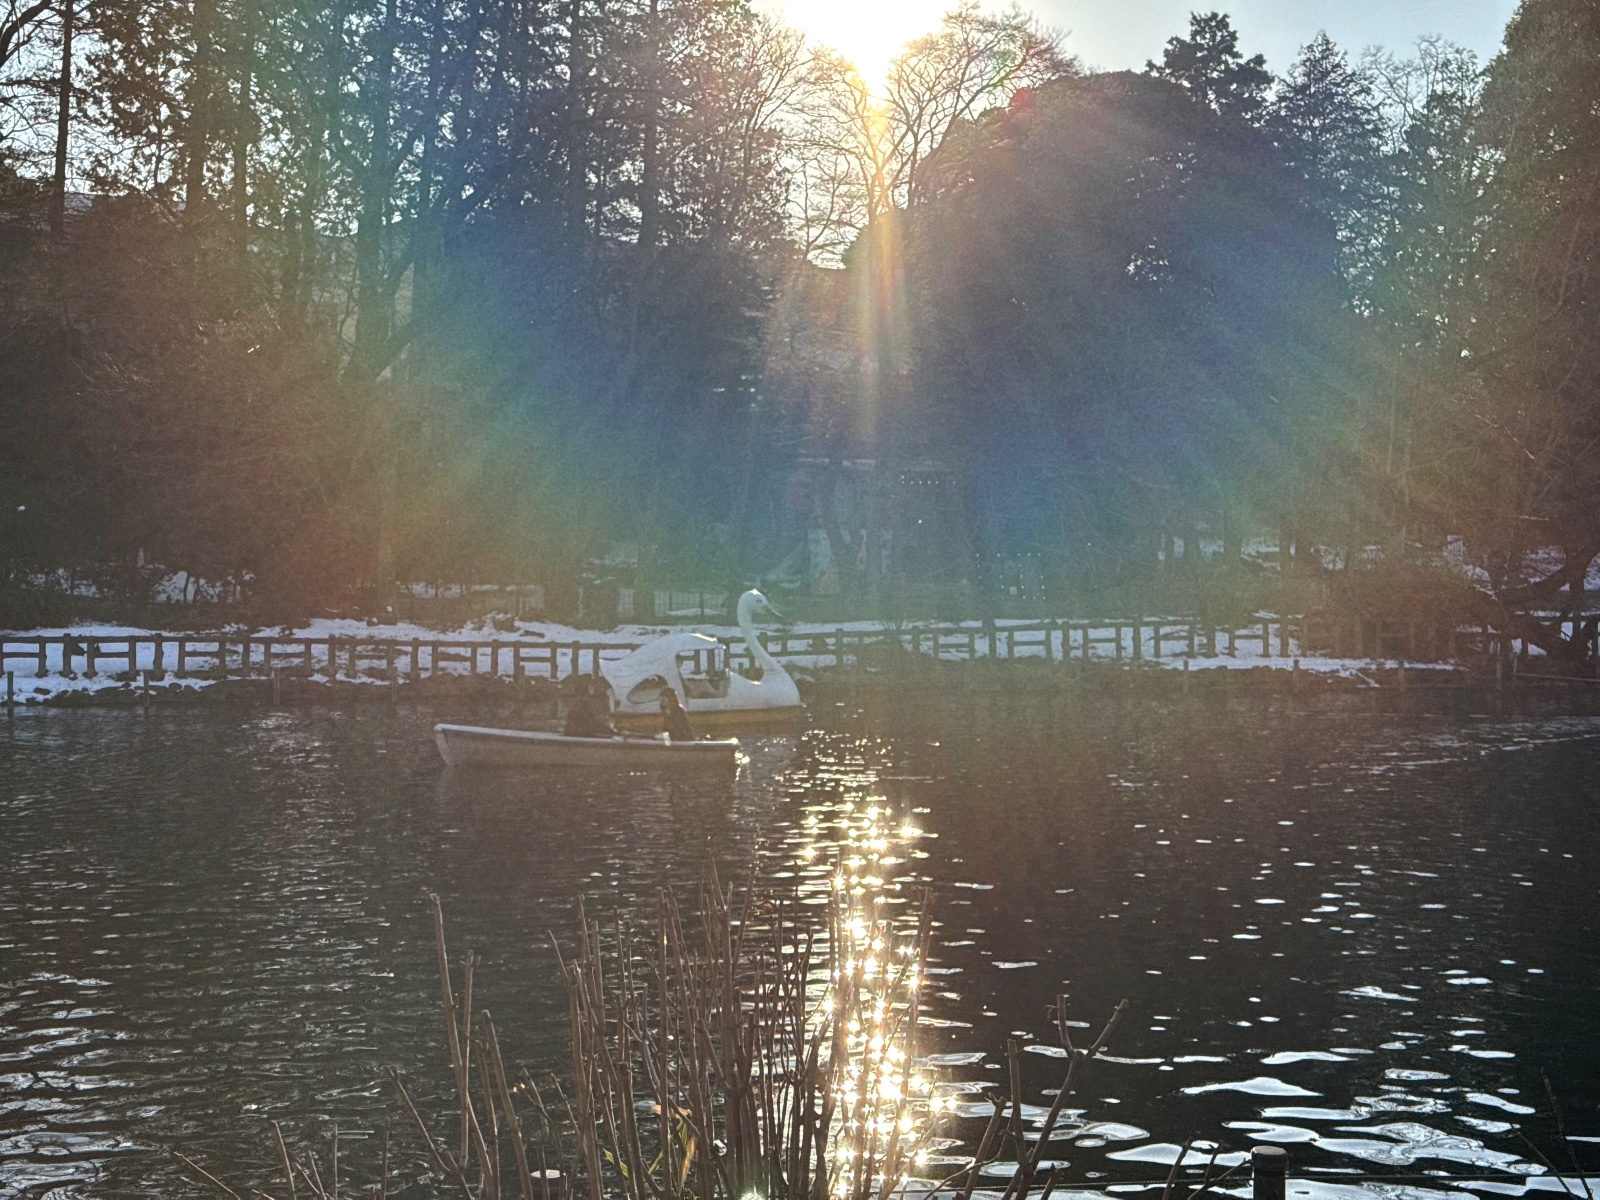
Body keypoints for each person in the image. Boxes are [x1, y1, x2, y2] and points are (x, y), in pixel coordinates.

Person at [564, 673, 617, 738]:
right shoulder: (584, 704)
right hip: (583, 737)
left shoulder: (581, 702)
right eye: (591, 684)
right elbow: (592, 727)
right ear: (585, 687)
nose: (593, 687)